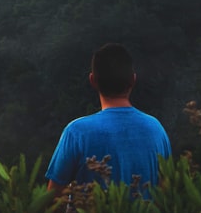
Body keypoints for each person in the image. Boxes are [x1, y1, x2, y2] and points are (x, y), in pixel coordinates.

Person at [45, 43, 171, 201]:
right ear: (133, 80)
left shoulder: (77, 132)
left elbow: (53, 197)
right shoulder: (157, 130)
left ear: (93, 81)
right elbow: (165, 194)